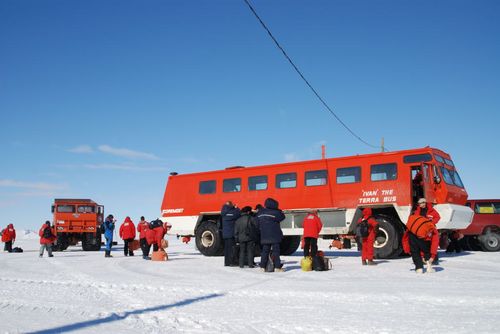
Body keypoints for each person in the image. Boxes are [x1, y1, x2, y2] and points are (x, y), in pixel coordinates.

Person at [257, 198, 286, 272]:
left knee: (265, 251)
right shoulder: (276, 212)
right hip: (275, 235)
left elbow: (256, 221)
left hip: (264, 235)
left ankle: (262, 267)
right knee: (276, 251)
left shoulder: (260, 212)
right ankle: (277, 267)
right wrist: (279, 211)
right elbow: (282, 217)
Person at [414, 197, 441, 264]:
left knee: (432, 244)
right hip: (422, 229)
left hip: (431, 229)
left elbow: (438, 217)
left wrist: (432, 222)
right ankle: (424, 259)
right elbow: (415, 219)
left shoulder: (431, 210)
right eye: (420, 203)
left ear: (425, 203)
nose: (422, 204)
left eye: (423, 202)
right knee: (422, 244)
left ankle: (434, 259)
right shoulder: (417, 211)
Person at [221, 201, 241, 267]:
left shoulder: (223, 212)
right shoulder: (232, 212)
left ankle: (226, 263)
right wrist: (236, 208)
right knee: (231, 249)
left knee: (226, 249)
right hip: (231, 234)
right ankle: (231, 262)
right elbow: (238, 214)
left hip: (225, 234)